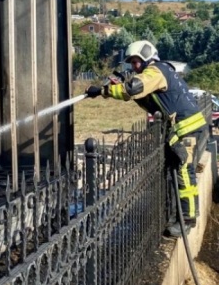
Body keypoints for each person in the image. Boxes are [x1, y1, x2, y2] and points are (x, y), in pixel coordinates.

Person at [86, 40, 208, 237]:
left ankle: (187, 219)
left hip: (187, 129)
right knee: (178, 171)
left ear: (147, 58)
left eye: (136, 62)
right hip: (185, 129)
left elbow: (133, 88)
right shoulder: (161, 72)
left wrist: (102, 91)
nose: (134, 67)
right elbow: (145, 98)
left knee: (184, 172)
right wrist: (118, 86)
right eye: (131, 63)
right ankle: (178, 213)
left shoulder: (155, 70)